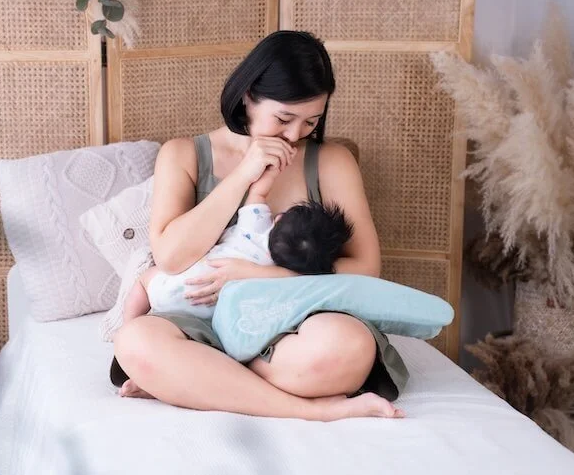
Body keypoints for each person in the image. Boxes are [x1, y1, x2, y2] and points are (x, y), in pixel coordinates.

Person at [111, 30, 409, 421]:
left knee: (349, 346)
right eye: (284, 118)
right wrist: (243, 175)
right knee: (135, 342)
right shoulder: (183, 154)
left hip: (295, 323)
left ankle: (209, 379)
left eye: (310, 122)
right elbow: (170, 257)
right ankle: (313, 410)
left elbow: (366, 268)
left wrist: (259, 275)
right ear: (249, 95)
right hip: (199, 325)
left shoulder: (332, 161)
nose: (294, 135)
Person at [121, 163, 354, 323]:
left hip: (177, 285)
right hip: (210, 313)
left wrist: (272, 171)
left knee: (144, 280)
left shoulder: (254, 229)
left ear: (280, 218)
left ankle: (128, 329)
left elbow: (258, 193)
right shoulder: (279, 277)